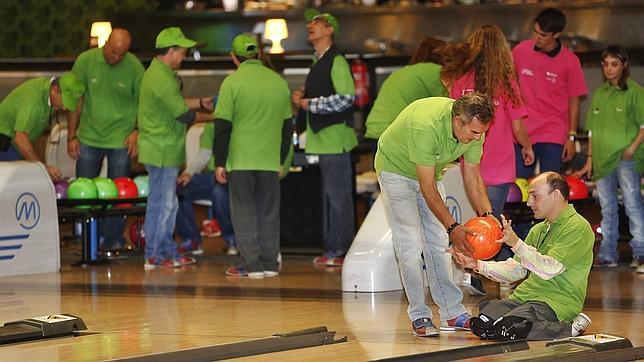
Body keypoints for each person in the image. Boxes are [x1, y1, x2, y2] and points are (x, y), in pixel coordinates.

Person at [375, 93, 496, 337]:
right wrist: (453, 226)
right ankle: (419, 314)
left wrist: (488, 216)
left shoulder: (474, 132)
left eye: (482, 132)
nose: (478, 137)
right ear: (458, 121)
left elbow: (472, 176)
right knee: (410, 243)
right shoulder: (426, 125)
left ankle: (452, 313)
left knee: (439, 243)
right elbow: (427, 188)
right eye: (473, 132)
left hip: (431, 173)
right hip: (395, 170)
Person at [452, 172, 594, 340]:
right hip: (524, 297)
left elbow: (550, 269)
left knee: (508, 328)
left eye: (535, 196)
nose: (529, 203)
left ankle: (568, 329)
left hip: (555, 302)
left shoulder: (578, 227)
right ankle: (525, 323)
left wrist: (516, 244)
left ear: (555, 195)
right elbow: (517, 270)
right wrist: (477, 265)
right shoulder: (538, 229)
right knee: (481, 325)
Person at [447, 25, 535, 294]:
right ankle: (489, 274)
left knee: (477, 220)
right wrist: (527, 146)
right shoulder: (506, 81)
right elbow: (518, 125)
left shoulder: (460, 79)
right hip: (497, 161)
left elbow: (452, 117)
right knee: (492, 221)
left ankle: (478, 272)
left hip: (468, 160)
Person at [214, 34, 292, 278]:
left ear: (234, 57)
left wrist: (219, 162)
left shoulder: (231, 83)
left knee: (244, 212)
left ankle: (251, 265)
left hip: (240, 159)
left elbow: (222, 126)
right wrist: (281, 159)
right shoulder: (279, 82)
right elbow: (288, 127)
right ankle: (270, 264)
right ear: (258, 54)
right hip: (269, 160)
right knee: (269, 212)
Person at [138, 27, 213, 270]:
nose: (184, 57)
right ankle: (154, 255)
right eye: (182, 52)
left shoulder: (162, 74)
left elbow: (177, 102)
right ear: (170, 51)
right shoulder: (160, 77)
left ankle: (166, 250)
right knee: (162, 204)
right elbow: (182, 114)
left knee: (169, 203)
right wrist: (214, 117)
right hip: (161, 149)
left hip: (165, 149)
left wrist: (202, 103)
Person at [67, 28, 145, 251]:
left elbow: (144, 102)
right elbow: (75, 99)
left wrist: (136, 131)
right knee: (85, 191)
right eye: (113, 52)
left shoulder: (134, 66)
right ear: (105, 44)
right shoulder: (85, 61)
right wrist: (72, 135)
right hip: (89, 137)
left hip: (121, 139)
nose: (117, 58)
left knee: (119, 194)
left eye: (122, 54)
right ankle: (87, 239)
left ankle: (114, 238)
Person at [292, 9, 358, 267]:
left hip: (334, 139)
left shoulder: (336, 61)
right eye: (309, 21)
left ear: (330, 29)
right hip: (325, 139)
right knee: (334, 196)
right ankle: (334, 249)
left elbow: (346, 97)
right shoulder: (319, 60)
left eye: (317, 22)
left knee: (337, 197)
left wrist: (309, 103)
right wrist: (303, 98)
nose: (310, 25)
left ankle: (340, 251)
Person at [574, 45, 644, 272]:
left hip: (626, 160)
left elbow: (643, 126)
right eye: (605, 64)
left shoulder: (635, 92)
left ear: (624, 65)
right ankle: (607, 254)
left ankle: (641, 253)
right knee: (607, 208)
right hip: (602, 162)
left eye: (614, 64)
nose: (609, 69)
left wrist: (631, 149)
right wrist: (590, 160)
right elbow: (592, 131)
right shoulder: (601, 94)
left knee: (632, 205)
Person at [512, 8, 587, 177]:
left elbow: (574, 101)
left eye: (543, 35)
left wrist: (572, 137)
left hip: (553, 131)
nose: (536, 37)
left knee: (550, 186)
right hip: (523, 131)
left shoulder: (570, 61)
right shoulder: (520, 51)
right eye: (535, 31)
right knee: (519, 187)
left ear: (557, 34)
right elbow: (506, 81)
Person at [364, 36, 447, 152]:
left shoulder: (403, 71)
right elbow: (447, 107)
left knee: (386, 171)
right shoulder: (437, 71)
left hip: (376, 129)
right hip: (396, 133)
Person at [0, 72, 84, 181]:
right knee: (14, 186)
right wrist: (43, 168)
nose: (64, 108)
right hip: (5, 145)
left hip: (16, 144)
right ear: (55, 89)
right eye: (64, 102)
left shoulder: (49, 92)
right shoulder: (33, 103)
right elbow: (20, 139)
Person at [176, 122, 236, 256]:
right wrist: (188, 173)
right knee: (179, 189)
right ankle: (191, 240)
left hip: (233, 175)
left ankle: (232, 239)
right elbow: (204, 155)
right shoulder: (211, 127)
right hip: (210, 174)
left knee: (219, 193)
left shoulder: (240, 125)